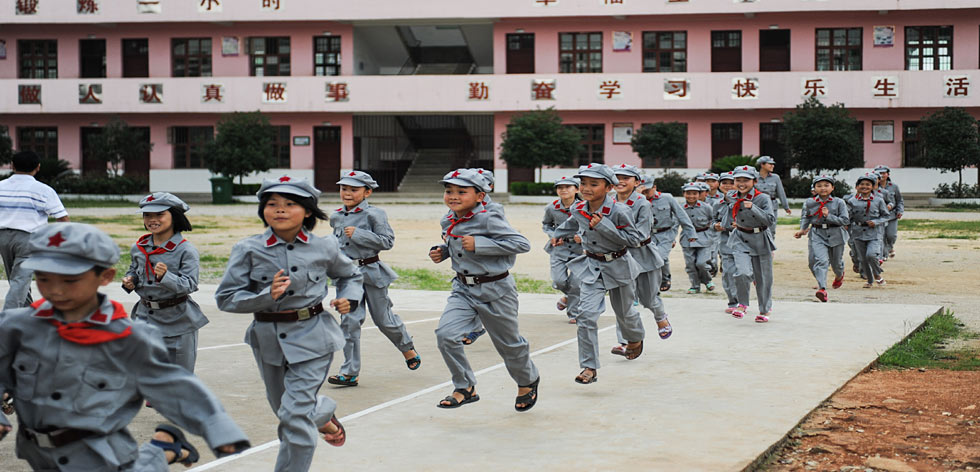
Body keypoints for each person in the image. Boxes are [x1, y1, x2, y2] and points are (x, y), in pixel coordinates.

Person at [0, 223, 250, 471]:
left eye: (70, 280)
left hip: (102, 449)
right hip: (37, 451)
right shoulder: (16, 328)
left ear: (105, 277)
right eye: (43, 278)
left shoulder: (129, 338)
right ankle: (164, 449)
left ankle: (161, 451)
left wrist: (218, 429)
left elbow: (175, 386)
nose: (55, 289)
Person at [215, 176, 357, 472]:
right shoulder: (248, 249)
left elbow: (350, 275)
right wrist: (267, 296)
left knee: (294, 418)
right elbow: (226, 298)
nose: (279, 209)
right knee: (287, 410)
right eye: (272, 204)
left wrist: (349, 300)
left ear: (307, 211)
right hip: (268, 340)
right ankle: (323, 413)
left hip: (314, 336)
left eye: (289, 204)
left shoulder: (325, 247)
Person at [428, 169, 539, 411]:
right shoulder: (449, 218)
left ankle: (526, 381)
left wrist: (481, 244)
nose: (453, 196)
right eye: (449, 191)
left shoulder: (489, 218)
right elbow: (455, 242)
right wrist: (443, 250)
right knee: (446, 335)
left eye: (461, 192)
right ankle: (465, 386)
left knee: (509, 344)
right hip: (463, 290)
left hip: (496, 289)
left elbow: (521, 244)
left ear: (480, 196)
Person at [552, 164, 646, 385]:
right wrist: (556, 236)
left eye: (594, 184)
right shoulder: (578, 209)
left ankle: (635, 338)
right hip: (592, 267)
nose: (586, 188)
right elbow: (570, 224)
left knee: (625, 315)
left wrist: (604, 226)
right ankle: (589, 366)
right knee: (585, 316)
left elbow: (634, 240)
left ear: (609, 187)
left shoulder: (619, 211)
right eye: (583, 183)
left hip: (619, 266)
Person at [327, 171, 420, 387]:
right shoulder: (336, 216)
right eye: (344, 188)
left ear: (367, 192)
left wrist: (358, 234)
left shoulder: (375, 215)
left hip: (371, 272)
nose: (347, 193)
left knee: (384, 320)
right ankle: (349, 373)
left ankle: (407, 349)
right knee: (349, 322)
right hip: (347, 277)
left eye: (353, 189)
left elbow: (387, 241)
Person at [122, 192, 207, 373]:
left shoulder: (186, 250)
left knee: (178, 377)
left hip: (177, 319)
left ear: (174, 217)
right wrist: (130, 281)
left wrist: (165, 277)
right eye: (147, 215)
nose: (152, 220)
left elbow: (190, 284)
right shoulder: (138, 248)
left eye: (159, 214)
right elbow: (134, 270)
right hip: (145, 318)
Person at [610, 164, 671, 356]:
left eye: (626, 177)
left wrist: (609, 233)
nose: (620, 180)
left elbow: (640, 235)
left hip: (643, 257)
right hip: (620, 259)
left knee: (649, 298)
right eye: (617, 177)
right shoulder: (607, 202)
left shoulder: (642, 203)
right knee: (623, 303)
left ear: (637, 182)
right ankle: (625, 341)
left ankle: (660, 316)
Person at [0, 150, 69, 309]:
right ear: (38, 167)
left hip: (3, 238)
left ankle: (27, 314)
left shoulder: (1, 186)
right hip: (29, 239)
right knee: (21, 280)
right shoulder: (43, 190)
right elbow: (62, 218)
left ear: (12, 165)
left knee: (17, 280)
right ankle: (8, 319)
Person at [725, 165, 777, 322]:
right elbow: (728, 216)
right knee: (742, 272)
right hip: (740, 238)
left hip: (760, 239)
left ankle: (764, 310)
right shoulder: (732, 196)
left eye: (746, 180)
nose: (741, 183)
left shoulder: (763, 198)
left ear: (754, 181)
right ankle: (742, 304)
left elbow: (770, 220)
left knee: (763, 278)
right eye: (738, 180)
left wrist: (753, 207)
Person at [794, 176, 849, 302]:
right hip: (817, 234)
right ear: (814, 189)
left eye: (826, 185)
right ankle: (822, 288)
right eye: (819, 186)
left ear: (832, 187)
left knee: (836, 264)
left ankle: (839, 275)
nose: (823, 188)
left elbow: (845, 220)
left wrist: (828, 216)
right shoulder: (809, 202)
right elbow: (805, 217)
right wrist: (802, 230)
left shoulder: (839, 202)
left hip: (836, 234)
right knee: (820, 261)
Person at [542, 176, 583, 324]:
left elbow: (592, 226)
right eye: (560, 187)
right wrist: (553, 235)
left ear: (577, 189)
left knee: (576, 283)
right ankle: (568, 296)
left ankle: (574, 313)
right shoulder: (551, 208)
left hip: (580, 250)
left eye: (568, 187)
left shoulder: (585, 206)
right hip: (559, 248)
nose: (563, 190)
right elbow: (546, 224)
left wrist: (582, 237)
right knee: (559, 281)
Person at [646, 175, 696, 291]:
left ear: (654, 187)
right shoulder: (638, 199)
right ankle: (660, 280)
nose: (645, 194)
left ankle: (662, 280)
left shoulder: (667, 198)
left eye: (647, 191)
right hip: (648, 235)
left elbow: (681, 214)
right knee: (654, 258)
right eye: (642, 191)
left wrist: (691, 232)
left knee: (660, 257)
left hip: (666, 234)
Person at [846, 173, 890, 288]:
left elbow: (886, 215)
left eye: (868, 184)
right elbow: (847, 217)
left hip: (874, 233)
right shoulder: (852, 201)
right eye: (862, 184)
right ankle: (869, 280)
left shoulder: (878, 200)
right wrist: (845, 225)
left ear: (873, 186)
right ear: (857, 187)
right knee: (863, 259)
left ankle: (877, 275)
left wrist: (875, 222)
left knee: (871, 255)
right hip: (857, 232)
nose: (864, 186)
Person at [680, 183, 715, 294]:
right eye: (688, 193)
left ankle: (708, 280)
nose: (691, 196)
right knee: (690, 264)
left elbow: (714, 220)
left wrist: (713, 232)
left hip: (704, 237)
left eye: (694, 193)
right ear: (684, 194)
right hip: (687, 238)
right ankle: (695, 285)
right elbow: (675, 223)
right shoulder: (680, 208)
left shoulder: (706, 207)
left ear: (699, 194)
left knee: (701, 263)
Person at [712, 172, 739, 313]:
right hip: (726, 242)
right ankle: (734, 302)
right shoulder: (717, 204)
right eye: (724, 183)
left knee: (743, 273)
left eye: (731, 183)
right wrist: (715, 225)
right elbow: (712, 220)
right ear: (719, 185)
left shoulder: (746, 202)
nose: (728, 186)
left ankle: (744, 300)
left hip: (745, 242)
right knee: (728, 273)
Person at [755, 156, 791, 235]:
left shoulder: (775, 177)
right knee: (757, 227)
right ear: (762, 165)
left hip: (772, 205)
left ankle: (770, 246)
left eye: (773, 164)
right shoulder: (754, 177)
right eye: (770, 164)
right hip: (757, 206)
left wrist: (786, 207)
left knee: (771, 228)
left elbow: (781, 193)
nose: (772, 166)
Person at [874, 165, 903, 259]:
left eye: (883, 173)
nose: (881, 175)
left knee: (891, 235)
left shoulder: (893, 186)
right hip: (878, 216)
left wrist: (900, 211)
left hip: (891, 215)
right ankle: (884, 254)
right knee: (881, 235)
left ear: (888, 174)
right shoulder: (872, 186)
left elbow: (899, 200)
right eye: (879, 173)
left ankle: (889, 246)